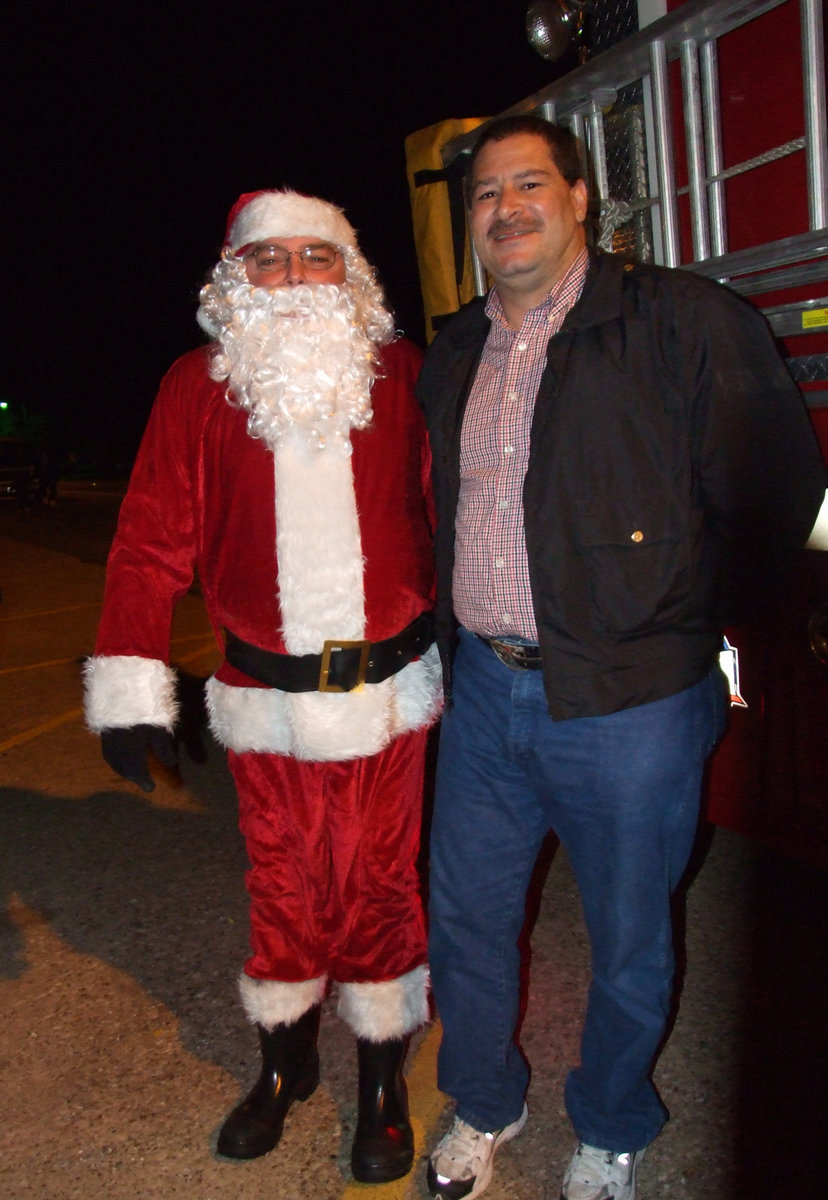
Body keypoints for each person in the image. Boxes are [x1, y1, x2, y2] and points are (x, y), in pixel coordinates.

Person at [416, 114, 828, 1200]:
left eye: (529, 185)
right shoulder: (456, 349)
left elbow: (773, 490)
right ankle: (485, 1103)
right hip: (486, 696)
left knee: (629, 935)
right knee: (464, 919)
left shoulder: (682, 323)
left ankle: (611, 1124)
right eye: (486, 194)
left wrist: (685, 628)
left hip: (633, 704)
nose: (505, 208)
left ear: (582, 197)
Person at [83, 190, 441, 1184]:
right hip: (262, 699)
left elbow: (454, 515)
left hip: (388, 696)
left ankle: (381, 1080)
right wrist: (130, 684)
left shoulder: (407, 376)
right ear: (235, 277)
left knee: (379, 885)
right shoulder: (196, 388)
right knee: (283, 888)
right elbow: (148, 543)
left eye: (314, 257)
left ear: (352, 275)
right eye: (269, 258)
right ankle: (285, 1066)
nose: (291, 277)